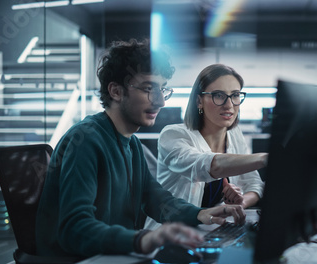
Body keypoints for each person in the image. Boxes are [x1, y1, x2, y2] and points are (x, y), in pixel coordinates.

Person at [35, 39, 245, 259]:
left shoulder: (132, 144)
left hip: (111, 254)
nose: (161, 101)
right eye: (148, 89)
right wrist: (143, 239)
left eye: (162, 89)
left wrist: (201, 214)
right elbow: (73, 229)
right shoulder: (86, 140)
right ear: (116, 91)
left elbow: (156, 199)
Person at [144, 64, 266, 229]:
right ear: (199, 101)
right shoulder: (172, 135)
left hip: (208, 230)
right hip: (168, 234)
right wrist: (265, 158)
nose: (229, 104)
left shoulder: (234, 134)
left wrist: (238, 204)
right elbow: (205, 165)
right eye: (218, 95)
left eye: (235, 95)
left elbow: (254, 184)